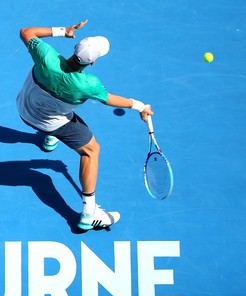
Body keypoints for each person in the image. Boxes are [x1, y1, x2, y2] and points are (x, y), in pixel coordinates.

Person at [16, 19, 153, 231]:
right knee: (91, 150)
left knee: (56, 106)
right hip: (51, 121)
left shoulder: (46, 56)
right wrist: (140, 106)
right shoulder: (89, 84)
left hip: (25, 110)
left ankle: (50, 137)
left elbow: (26, 31)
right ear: (93, 63)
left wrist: (64, 31)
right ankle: (89, 213)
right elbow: (109, 99)